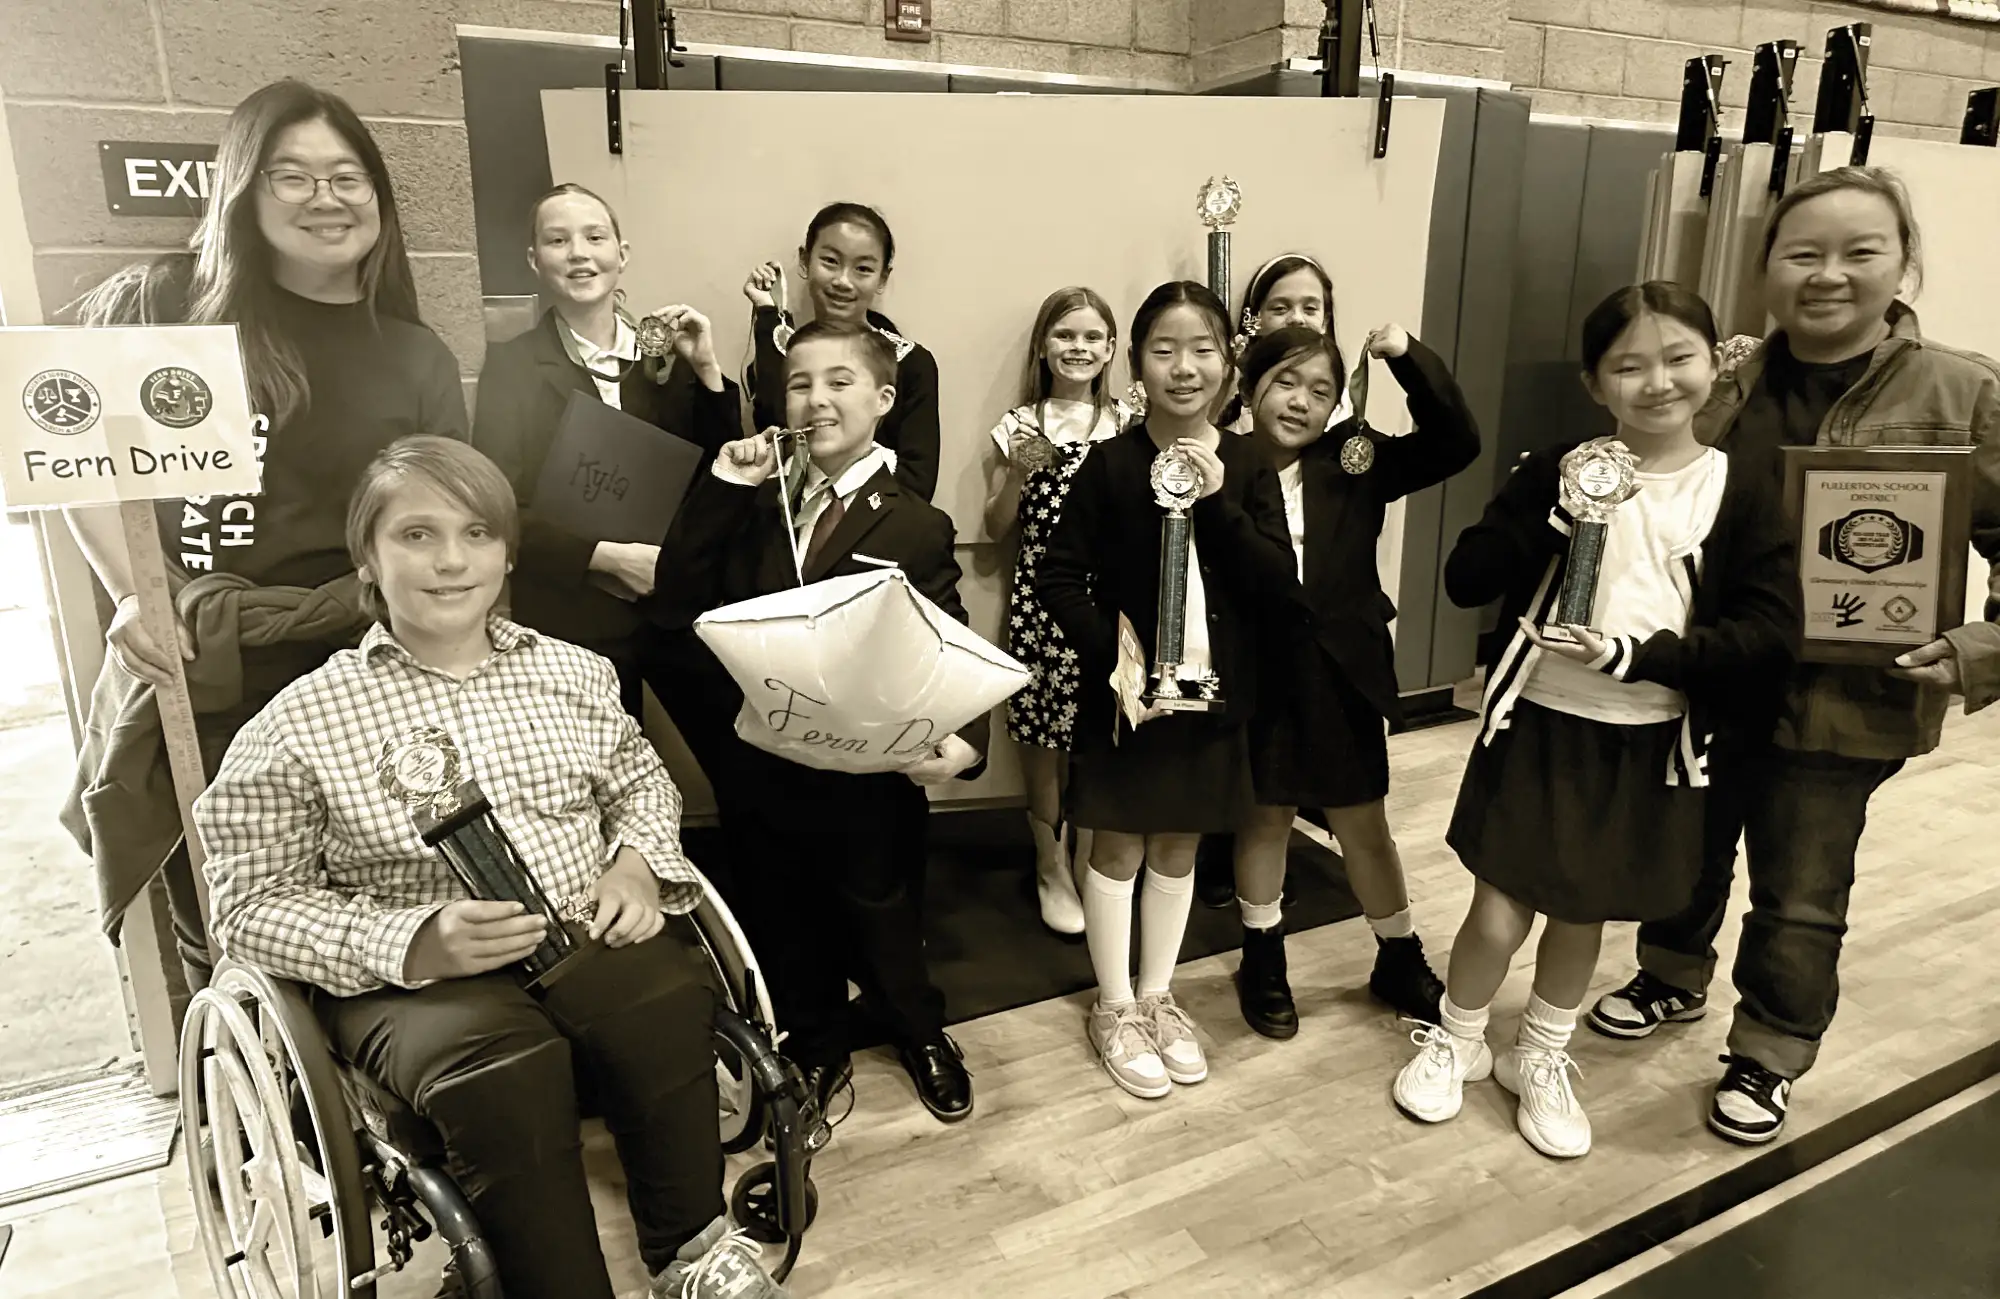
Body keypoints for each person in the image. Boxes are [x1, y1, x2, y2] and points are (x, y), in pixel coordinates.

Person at [195, 436, 790, 1299]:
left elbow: (638, 780)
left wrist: (635, 863)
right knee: (506, 1064)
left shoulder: (575, 674)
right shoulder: (295, 725)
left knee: (664, 995)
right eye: (416, 535)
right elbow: (248, 905)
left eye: (476, 533)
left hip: (584, 926)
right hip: (414, 978)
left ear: (508, 552)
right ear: (366, 555)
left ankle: (692, 1250)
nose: (450, 560)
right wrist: (409, 940)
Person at [1586, 167, 2000, 1144]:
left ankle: (1767, 1049)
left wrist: (1980, 646)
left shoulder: (1964, 390)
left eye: (1860, 251)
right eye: (1800, 253)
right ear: (1765, 267)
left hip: (1846, 699)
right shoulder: (1722, 380)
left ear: (1902, 263)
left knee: (1801, 888)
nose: (1827, 274)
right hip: (1709, 676)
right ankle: (1669, 976)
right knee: (1685, 850)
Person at [61, 79, 466, 995]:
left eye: (348, 176)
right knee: (232, 915)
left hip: (355, 665)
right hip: (204, 656)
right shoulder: (165, 303)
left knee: (357, 902)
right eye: (291, 176)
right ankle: (260, 1113)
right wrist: (138, 592)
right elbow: (71, 459)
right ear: (242, 189)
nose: (325, 197)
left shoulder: (413, 351)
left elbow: (441, 511)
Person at [1391, 282, 1798, 1159]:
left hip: (1650, 738)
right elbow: (1468, 576)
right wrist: (1556, 511)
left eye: (1678, 357)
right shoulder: (1557, 469)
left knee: (1585, 915)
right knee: (1498, 910)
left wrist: (1636, 655)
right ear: (1595, 381)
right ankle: (1458, 1037)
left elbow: (1767, 634)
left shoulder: (1741, 487)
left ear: (1715, 362)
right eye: (1630, 365)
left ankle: (1539, 1054)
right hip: (1537, 722)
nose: (1657, 381)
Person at [655, 321, 984, 1124]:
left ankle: (918, 1025)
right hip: (767, 763)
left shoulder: (915, 521)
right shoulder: (754, 503)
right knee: (781, 907)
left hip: (869, 775)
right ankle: (814, 1038)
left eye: (840, 381)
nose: (817, 396)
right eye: (800, 383)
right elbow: (677, 593)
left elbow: (950, 641)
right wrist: (727, 486)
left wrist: (966, 744)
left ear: (882, 398)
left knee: (883, 908)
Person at [1037, 281, 1295, 1100]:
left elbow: (1273, 581)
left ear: (1229, 363)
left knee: (1180, 844)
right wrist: (1111, 661)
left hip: (1212, 698)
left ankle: (1158, 994)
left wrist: (1219, 499)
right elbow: (1059, 573)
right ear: (1136, 362)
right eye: (1164, 349)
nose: (1184, 367)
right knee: (1115, 846)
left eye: (1203, 350)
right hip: (1124, 703)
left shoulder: (1250, 464)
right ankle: (1113, 1005)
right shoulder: (1110, 463)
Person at [1231, 321, 1479, 1040]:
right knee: (1266, 815)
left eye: (1322, 390)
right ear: (1250, 387)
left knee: (1362, 821)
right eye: (1286, 382)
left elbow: (1456, 441)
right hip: (1262, 670)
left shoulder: (1355, 458)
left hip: (1342, 669)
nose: (1302, 401)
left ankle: (1397, 955)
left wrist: (1407, 357)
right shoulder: (1226, 461)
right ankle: (1263, 955)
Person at [472, 182, 743, 785]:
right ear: (533, 260)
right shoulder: (512, 366)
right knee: (601, 782)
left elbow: (720, 470)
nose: (578, 253)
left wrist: (706, 368)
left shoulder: (663, 356)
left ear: (623, 252)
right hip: (576, 615)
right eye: (557, 240)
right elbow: (496, 506)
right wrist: (603, 558)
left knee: (743, 767)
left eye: (594, 237)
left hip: (678, 604)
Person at [1197, 252, 1347, 906]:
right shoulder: (1226, 417)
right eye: (1280, 306)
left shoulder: (1339, 424)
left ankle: (1253, 873)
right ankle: (1211, 852)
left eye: (1310, 306)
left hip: (1304, 616)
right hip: (1230, 612)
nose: (1296, 317)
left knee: (1275, 770)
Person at [981, 286, 1126, 935]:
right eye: (1066, 335)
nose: (1079, 348)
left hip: (1108, 607)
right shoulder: (1020, 424)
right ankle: (1050, 862)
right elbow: (994, 527)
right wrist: (1013, 472)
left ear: (1111, 349)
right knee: (1042, 741)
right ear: (1044, 345)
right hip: (1040, 606)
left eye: (1093, 337)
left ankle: (1092, 859)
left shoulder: (1127, 422)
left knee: (1099, 742)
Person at [742, 202, 942, 499]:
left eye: (863, 269)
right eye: (831, 261)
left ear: (882, 278)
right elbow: (776, 439)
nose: (843, 281)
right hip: (787, 529)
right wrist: (769, 315)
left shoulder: (911, 364)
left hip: (878, 532)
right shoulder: (785, 350)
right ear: (805, 260)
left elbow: (918, 482)